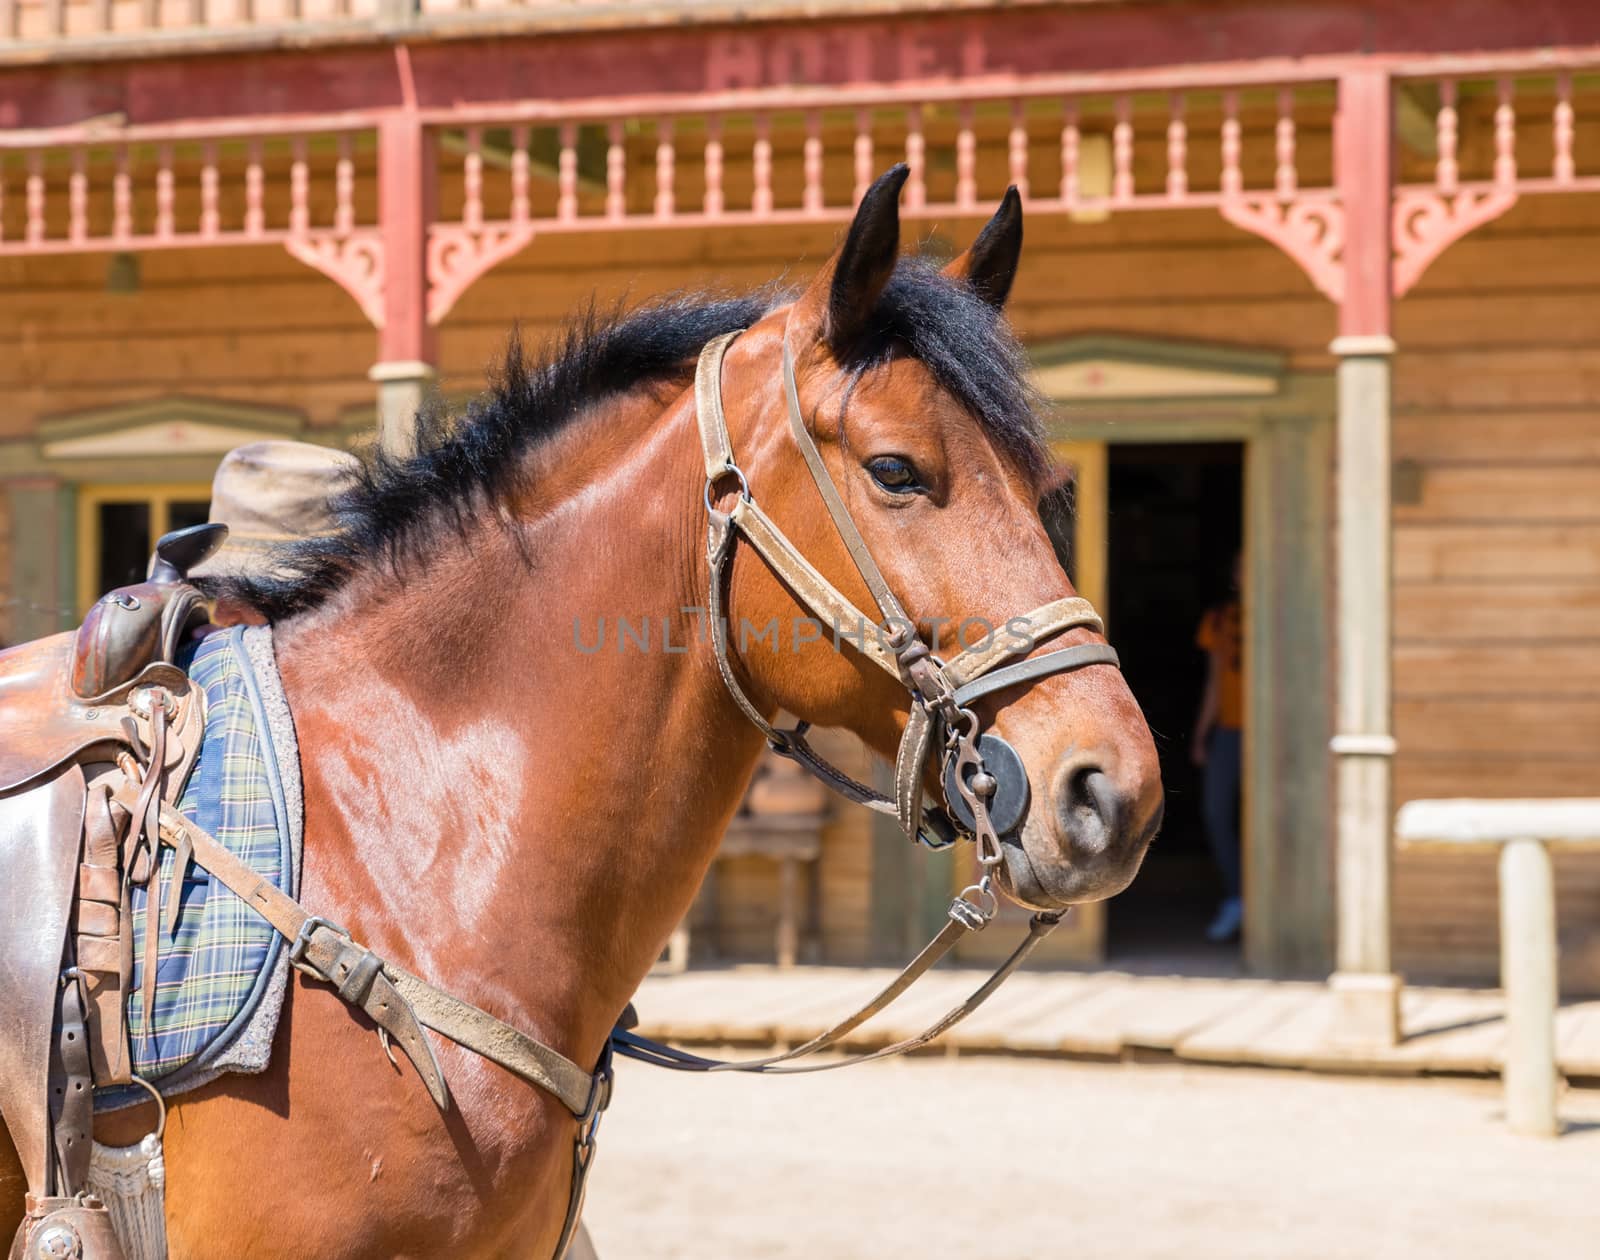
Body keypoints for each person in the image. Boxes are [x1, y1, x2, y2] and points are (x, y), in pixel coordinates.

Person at [1191, 553, 1243, 944]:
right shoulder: (1220, 619)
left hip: (1270, 736)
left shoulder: (1280, 616)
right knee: (1217, 813)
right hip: (1228, 732)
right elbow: (1213, 683)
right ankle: (1237, 896)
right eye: (1240, 566)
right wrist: (1200, 734)